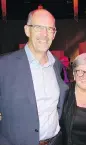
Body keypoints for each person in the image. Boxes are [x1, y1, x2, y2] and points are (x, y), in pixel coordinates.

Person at [0, 9, 68, 145]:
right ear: (27, 30)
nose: (44, 34)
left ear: (54, 34)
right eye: (38, 27)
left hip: (55, 141)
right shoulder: (4, 65)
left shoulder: (57, 66)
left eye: (50, 29)